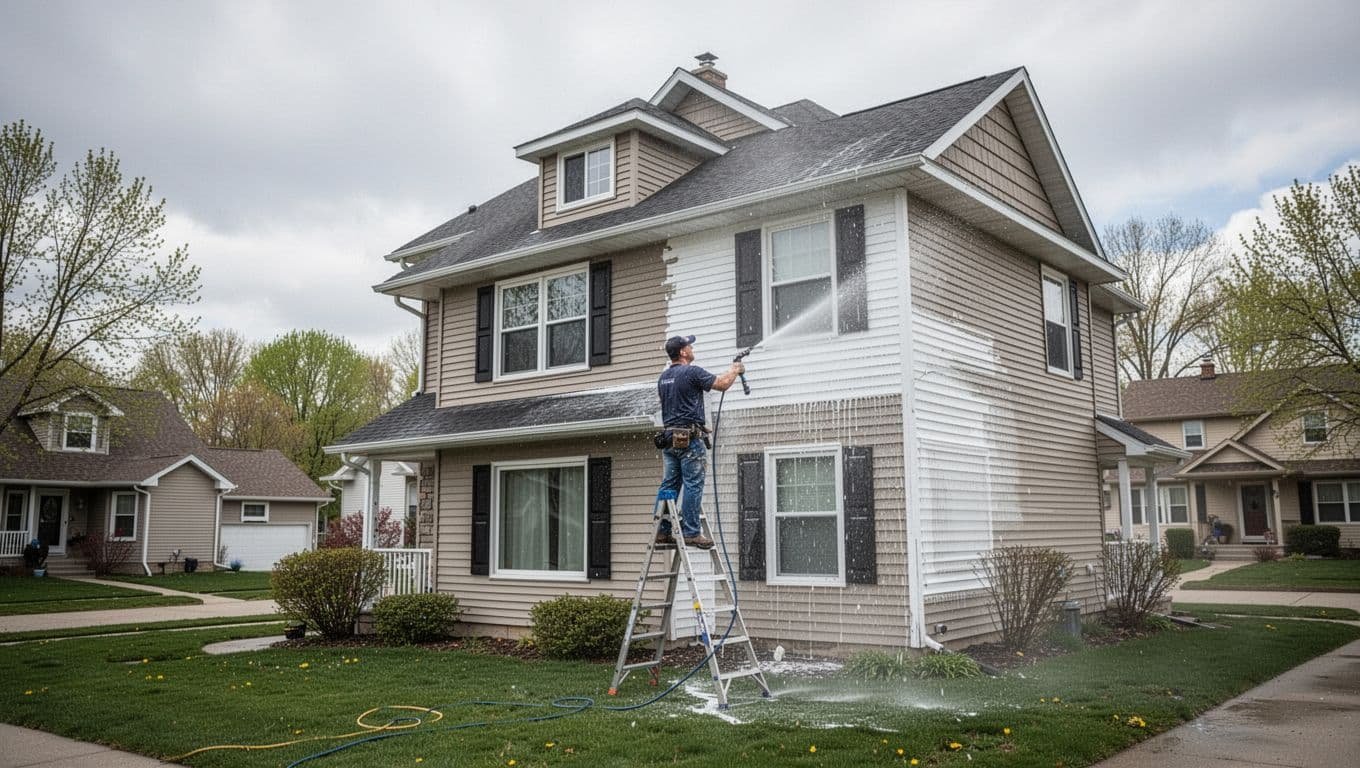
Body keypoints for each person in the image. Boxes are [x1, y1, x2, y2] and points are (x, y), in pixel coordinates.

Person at [656, 335, 744, 549]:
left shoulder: (664, 378)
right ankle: (691, 532)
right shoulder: (692, 372)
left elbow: (678, 407)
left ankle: (661, 531)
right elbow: (722, 384)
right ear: (683, 352)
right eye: (689, 345)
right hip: (688, 442)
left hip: (669, 440)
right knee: (693, 485)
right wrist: (735, 370)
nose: (692, 348)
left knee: (669, 486)